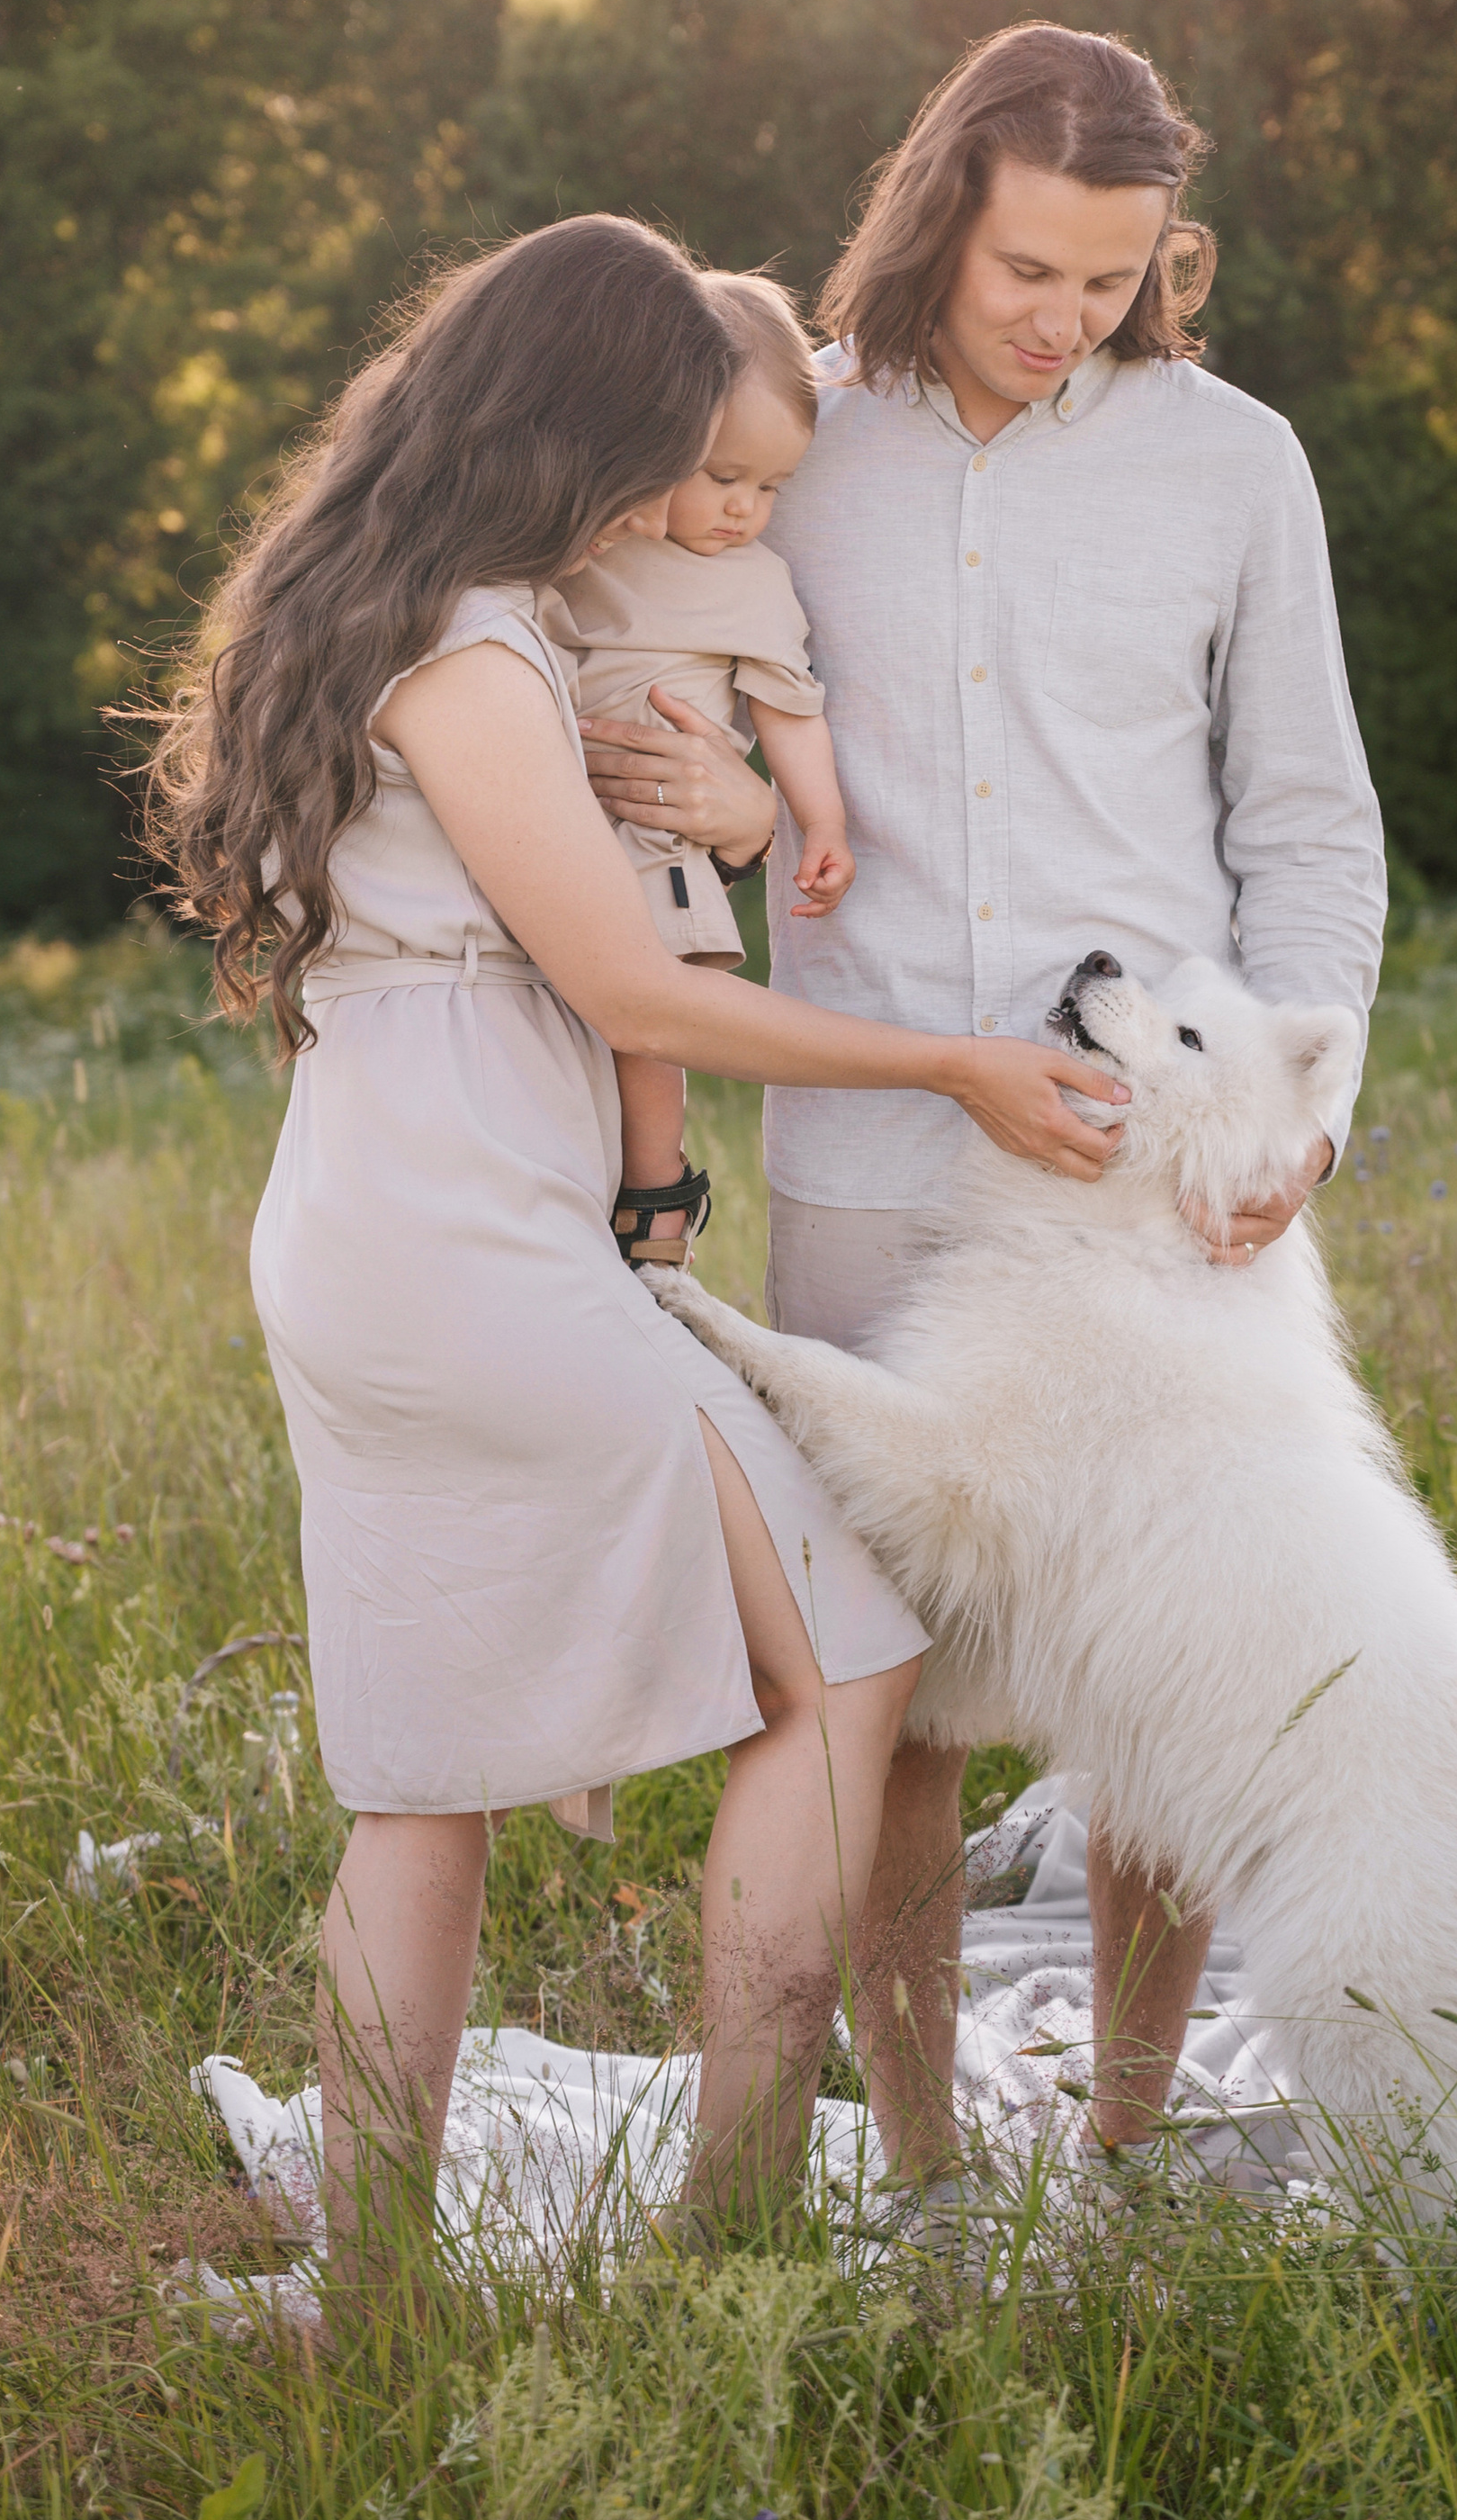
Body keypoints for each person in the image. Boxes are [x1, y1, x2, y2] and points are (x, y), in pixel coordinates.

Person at [143, 214, 1129, 2312]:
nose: (674, 499)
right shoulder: (474, 650)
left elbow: (640, 893)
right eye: (658, 450)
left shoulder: (388, 600)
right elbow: (623, 973)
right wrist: (951, 1055)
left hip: (381, 1213)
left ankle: (378, 2289)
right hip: (469, 1244)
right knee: (848, 1650)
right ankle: (740, 2207)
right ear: (568, 419)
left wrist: (746, 826)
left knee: (427, 1783)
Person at [580, 29, 1388, 2210]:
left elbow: (1307, 821)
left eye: (1109, 281)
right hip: (868, 1142)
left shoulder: (1234, 464)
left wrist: (1294, 1122)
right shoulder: (784, 445)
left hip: (1163, 1168)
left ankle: (1122, 2120)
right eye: (1028, 264)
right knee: (888, 1679)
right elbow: (692, 734)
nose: (1062, 314)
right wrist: (742, 812)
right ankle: (925, 2147)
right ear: (941, 212)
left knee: (1164, 1645)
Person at [538, 275, 851, 1269]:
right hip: (540, 822)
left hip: (653, 839)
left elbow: (789, 711)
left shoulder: (753, 584)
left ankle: (655, 1199)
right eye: (722, 475)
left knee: (645, 1022)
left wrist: (822, 823)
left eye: (770, 488)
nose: (744, 509)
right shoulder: (587, 546)